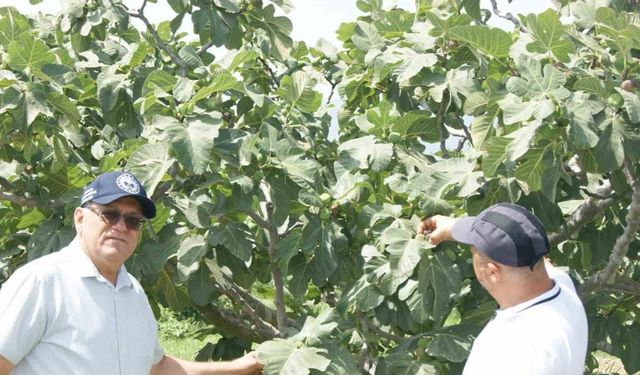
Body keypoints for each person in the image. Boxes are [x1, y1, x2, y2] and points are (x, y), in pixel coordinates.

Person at [0, 171, 263, 375]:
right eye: (109, 214)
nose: (121, 226)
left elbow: (155, 368)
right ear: (80, 218)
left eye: (132, 220)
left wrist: (239, 367)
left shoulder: (132, 291)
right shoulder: (42, 281)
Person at [418, 203, 587, 375]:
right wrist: (453, 227)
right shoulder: (561, 286)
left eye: (473, 251)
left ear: (492, 272)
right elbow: (529, 249)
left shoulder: (518, 356)